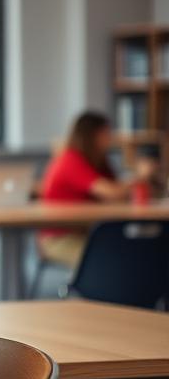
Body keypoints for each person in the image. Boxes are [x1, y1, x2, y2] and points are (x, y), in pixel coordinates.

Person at [37, 110, 158, 268]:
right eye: (106, 133)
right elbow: (113, 192)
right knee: (117, 258)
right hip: (61, 237)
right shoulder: (70, 160)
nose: (111, 138)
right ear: (92, 136)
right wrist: (141, 176)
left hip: (91, 232)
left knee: (142, 249)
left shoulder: (98, 160)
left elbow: (119, 193)